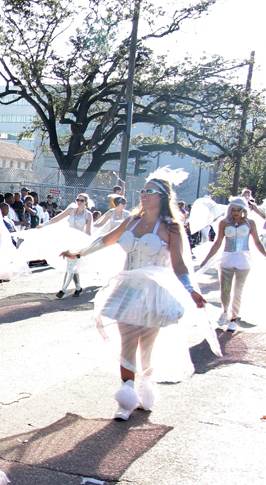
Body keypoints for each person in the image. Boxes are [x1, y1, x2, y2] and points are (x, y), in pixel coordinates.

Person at [59, 169, 216, 421]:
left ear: (162, 197)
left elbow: (179, 264)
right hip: (127, 288)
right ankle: (126, 397)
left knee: (146, 349)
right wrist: (78, 252)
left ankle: (146, 388)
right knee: (127, 345)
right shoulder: (131, 221)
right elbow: (106, 239)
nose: (143, 194)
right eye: (142, 190)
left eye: (149, 191)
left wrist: (191, 290)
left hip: (153, 293)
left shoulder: (171, 227)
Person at [197, 197, 266, 331]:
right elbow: (218, 242)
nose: (236, 212)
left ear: (243, 210)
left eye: (239, 210)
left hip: (243, 259)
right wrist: (206, 259)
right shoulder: (224, 223)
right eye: (233, 210)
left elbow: (257, 242)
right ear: (230, 210)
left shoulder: (250, 223)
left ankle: (234, 318)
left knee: (238, 290)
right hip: (227, 257)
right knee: (225, 289)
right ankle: (224, 311)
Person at [40, 192, 93, 298]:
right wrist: (44, 224)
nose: (79, 202)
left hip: (79, 241)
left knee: (71, 264)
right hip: (68, 240)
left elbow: (88, 232)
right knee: (71, 264)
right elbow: (57, 219)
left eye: (81, 200)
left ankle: (63, 289)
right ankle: (78, 287)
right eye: (77, 200)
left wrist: (85, 245)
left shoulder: (88, 214)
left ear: (86, 202)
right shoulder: (71, 210)